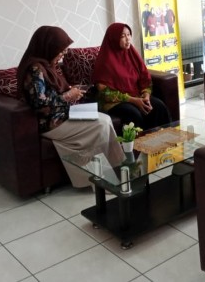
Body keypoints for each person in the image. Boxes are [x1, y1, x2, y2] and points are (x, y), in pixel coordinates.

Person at [16, 26, 124, 188]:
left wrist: (72, 91)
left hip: (64, 114)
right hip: (50, 122)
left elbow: (54, 91)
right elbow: (40, 104)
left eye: (65, 51)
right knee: (100, 125)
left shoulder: (47, 65)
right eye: (61, 51)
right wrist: (67, 96)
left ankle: (118, 168)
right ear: (48, 48)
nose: (62, 55)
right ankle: (100, 177)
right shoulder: (35, 69)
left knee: (106, 119)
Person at [93, 22, 171, 130]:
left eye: (129, 35)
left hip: (136, 95)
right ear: (113, 39)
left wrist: (146, 96)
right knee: (134, 114)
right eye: (122, 36)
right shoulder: (105, 61)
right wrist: (133, 100)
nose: (128, 39)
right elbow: (105, 93)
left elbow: (145, 78)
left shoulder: (132, 54)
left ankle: (165, 139)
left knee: (158, 106)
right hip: (114, 102)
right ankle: (140, 142)